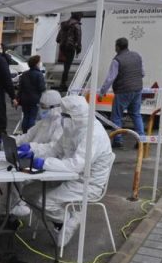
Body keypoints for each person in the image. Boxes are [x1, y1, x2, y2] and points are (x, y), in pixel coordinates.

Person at [17, 95, 115, 247]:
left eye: (64, 115)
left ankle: (67, 219)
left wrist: (43, 163)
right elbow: (54, 149)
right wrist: (32, 151)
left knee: (45, 200)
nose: (61, 118)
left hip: (87, 183)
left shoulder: (93, 134)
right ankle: (60, 222)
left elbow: (76, 165)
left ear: (76, 116)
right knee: (29, 191)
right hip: (67, 176)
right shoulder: (73, 128)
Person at [0, 89, 65, 219]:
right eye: (40, 106)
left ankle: (4, 210)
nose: (41, 109)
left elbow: (53, 148)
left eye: (44, 107)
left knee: (17, 178)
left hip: (48, 164)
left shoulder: (61, 125)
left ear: (55, 107)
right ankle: (6, 208)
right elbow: (26, 137)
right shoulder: (44, 121)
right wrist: (6, 141)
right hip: (33, 159)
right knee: (14, 176)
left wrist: (31, 148)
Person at [98, 37, 145, 149]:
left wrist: (102, 92)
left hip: (123, 91)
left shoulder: (117, 60)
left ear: (118, 47)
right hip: (137, 89)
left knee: (117, 116)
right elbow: (142, 73)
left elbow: (110, 78)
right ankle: (142, 139)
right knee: (136, 114)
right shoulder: (137, 56)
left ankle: (118, 140)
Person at [17, 55, 46, 133]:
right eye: (39, 62)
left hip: (24, 99)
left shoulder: (24, 74)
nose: (40, 63)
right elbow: (42, 88)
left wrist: (17, 98)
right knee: (32, 117)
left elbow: (20, 88)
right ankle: (30, 134)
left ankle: (24, 133)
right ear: (36, 63)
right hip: (35, 99)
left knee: (26, 116)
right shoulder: (39, 74)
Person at [57, 12, 82, 90]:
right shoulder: (76, 25)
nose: (81, 18)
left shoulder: (64, 24)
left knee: (66, 67)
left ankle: (63, 83)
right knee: (67, 67)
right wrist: (78, 49)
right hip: (70, 48)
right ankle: (63, 84)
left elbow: (57, 39)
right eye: (81, 16)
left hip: (62, 47)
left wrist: (62, 43)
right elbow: (79, 38)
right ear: (78, 16)